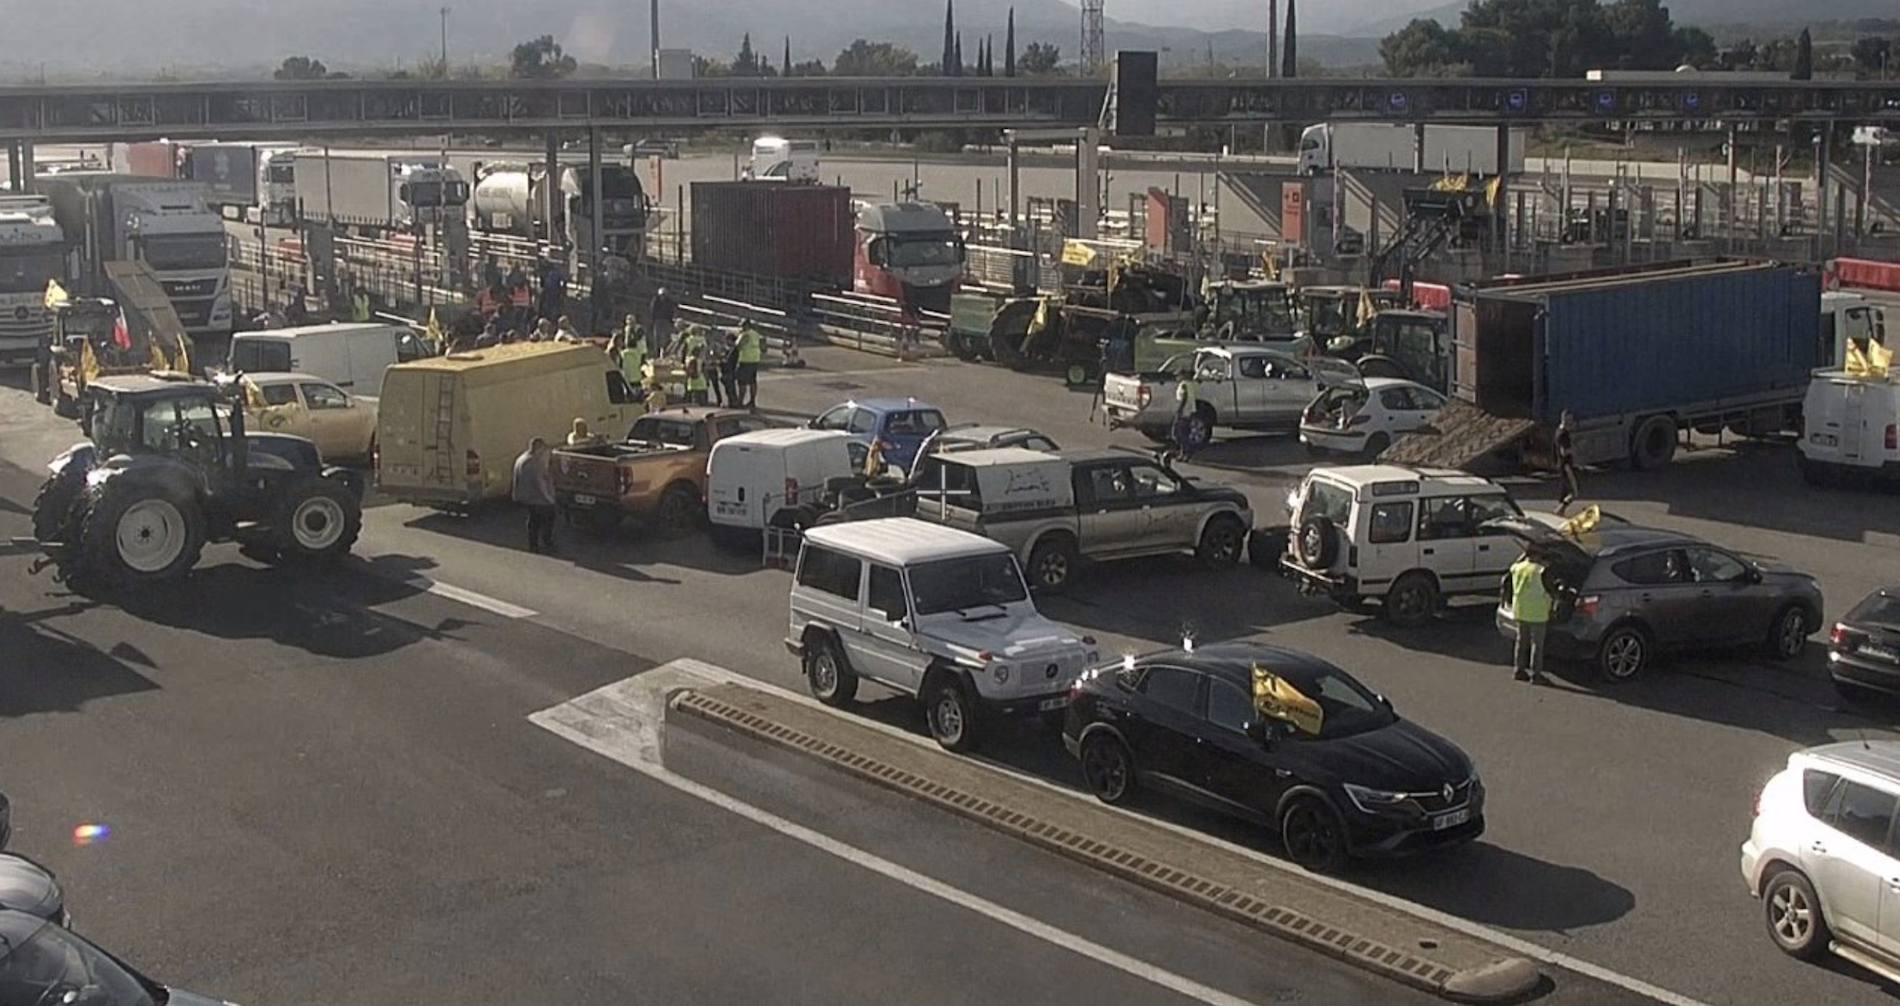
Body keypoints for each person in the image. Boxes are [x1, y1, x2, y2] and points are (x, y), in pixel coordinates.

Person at [1507, 552, 1554, 684]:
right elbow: (1551, 590)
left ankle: (1519, 670)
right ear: (1538, 556)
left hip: (1521, 610)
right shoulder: (1540, 571)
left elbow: (1512, 571)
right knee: (1537, 646)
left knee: (1521, 642)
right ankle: (1536, 675)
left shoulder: (1517, 568)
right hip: (1537, 612)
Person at [511, 438, 557, 554]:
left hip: (524, 495)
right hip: (534, 497)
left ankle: (533, 544)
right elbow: (539, 484)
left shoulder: (522, 458)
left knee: (533, 520)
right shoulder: (534, 463)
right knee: (547, 516)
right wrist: (549, 499)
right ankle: (545, 541)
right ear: (538, 449)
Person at [1171, 365, 1202, 461]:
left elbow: (1184, 397)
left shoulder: (1183, 385)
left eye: (1178, 375)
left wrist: (1179, 409)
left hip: (1184, 413)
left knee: (1177, 434)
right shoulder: (1190, 384)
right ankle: (1184, 453)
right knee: (1185, 433)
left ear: (1182, 375)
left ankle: (1186, 451)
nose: (1176, 377)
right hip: (1190, 412)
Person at [1554, 411, 1580, 515]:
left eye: (1571, 420)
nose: (1571, 423)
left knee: (1564, 491)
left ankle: (1561, 512)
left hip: (1561, 465)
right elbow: (1564, 452)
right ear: (1564, 419)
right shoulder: (1563, 434)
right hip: (1566, 466)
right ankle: (1559, 510)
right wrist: (1574, 449)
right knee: (1574, 492)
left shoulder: (1558, 431)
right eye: (1569, 420)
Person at [734, 322, 764, 410]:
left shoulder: (745, 334)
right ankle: (752, 401)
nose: (741, 328)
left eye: (742, 326)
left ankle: (740, 401)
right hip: (755, 359)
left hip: (745, 360)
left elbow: (738, 346)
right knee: (752, 381)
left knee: (742, 382)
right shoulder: (755, 334)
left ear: (746, 326)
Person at [650, 286, 678, 360]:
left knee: (665, 337)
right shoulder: (656, 301)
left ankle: (665, 353)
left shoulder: (669, 302)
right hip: (658, 321)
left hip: (666, 321)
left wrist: (670, 320)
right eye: (662, 295)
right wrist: (653, 320)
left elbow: (671, 311)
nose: (663, 297)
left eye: (664, 295)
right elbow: (653, 311)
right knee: (657, 338)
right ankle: (657, 353)